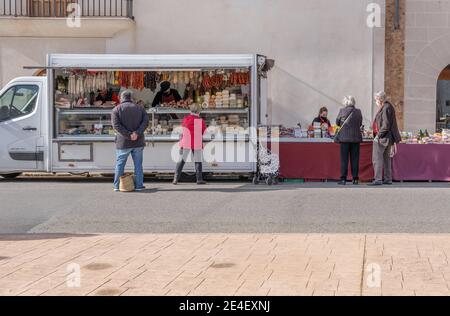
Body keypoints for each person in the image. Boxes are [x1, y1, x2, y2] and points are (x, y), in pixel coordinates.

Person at [112, 90, 149, 192]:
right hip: (138, 141)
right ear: (132, 98)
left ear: (122, 98)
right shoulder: (140, 108)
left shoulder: (116, 109)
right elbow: (145, 122)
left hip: (123, 142)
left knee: (120, 164)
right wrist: (136, 133)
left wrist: (128, 135)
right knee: (138, 165)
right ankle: (139, 185)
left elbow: (116, 126)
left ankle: (117, 186)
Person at [368, 91, 401, 186]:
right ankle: (388, 179)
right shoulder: (387, 106)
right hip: (387, 138)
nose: (375, 102)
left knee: (377, 159)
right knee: (386, 159)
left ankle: (378, 179)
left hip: (383, 137)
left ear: (380, 99)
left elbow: (385, 125)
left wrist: (378, 135)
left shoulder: (386, 108)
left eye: (376, 100)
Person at [173, 103, 207, 185]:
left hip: (186, 142)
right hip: (196, 142)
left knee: (181, 161)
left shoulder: (186, 119)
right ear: (198, 111)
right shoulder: (200, 120)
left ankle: (175, 179)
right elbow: (204, 131)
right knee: (198, 161)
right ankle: (199, 179)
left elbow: (182, 129)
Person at [335, 96, 363, 185]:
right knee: (355, 159)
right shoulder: (358, 111)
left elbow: (337, 123)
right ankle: (355, 179)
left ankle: (343, 179)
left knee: (344, 159)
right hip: (355, 139)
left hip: (344, 139)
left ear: (345, 103)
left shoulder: (342, 111)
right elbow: (360, 123)